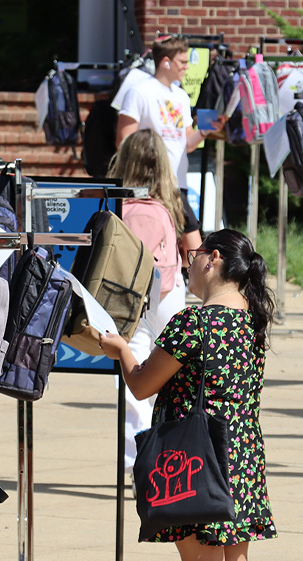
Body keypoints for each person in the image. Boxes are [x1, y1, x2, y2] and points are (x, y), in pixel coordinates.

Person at [98, 228, 276, 561]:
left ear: (213, 260)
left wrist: (120, 349)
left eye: (192, 257)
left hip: (196, 460)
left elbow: (141, 385)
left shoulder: (193, 324)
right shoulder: (252, 323)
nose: (188, 265)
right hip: (240, 455)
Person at [107, 129, 188, 470]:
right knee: (173, 371)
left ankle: (136, 458)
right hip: (169, 291)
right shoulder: (169, 202)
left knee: (132, 374)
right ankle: (173, 451)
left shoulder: (116, 204)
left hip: (130, 295)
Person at [115, 36, 208, 256]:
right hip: (149, 184)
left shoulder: (182, 97)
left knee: (191, 250)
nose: (187, 67)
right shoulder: (139, 92)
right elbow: (124, 142)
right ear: (166, 62)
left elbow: (187, 145)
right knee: (182, 247)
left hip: (177, 182)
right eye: (182, 62)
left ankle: (175, 280)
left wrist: (206, 130)